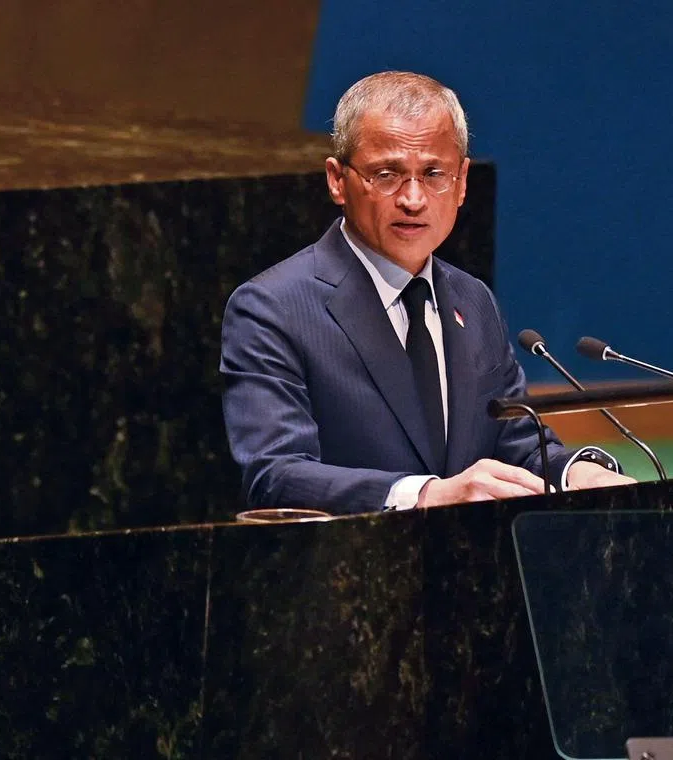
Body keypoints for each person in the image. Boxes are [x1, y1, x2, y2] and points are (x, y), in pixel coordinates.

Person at [220, 71, 634, 513]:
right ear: (337, 181)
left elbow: (516, 446)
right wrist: (424, 495)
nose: (413, 199)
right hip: (353, 570)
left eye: (434, 173)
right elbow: (276, 475)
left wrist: (576, 471)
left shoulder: (472, 300)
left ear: (461, 183)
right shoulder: (272, 308)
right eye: (387, 175)